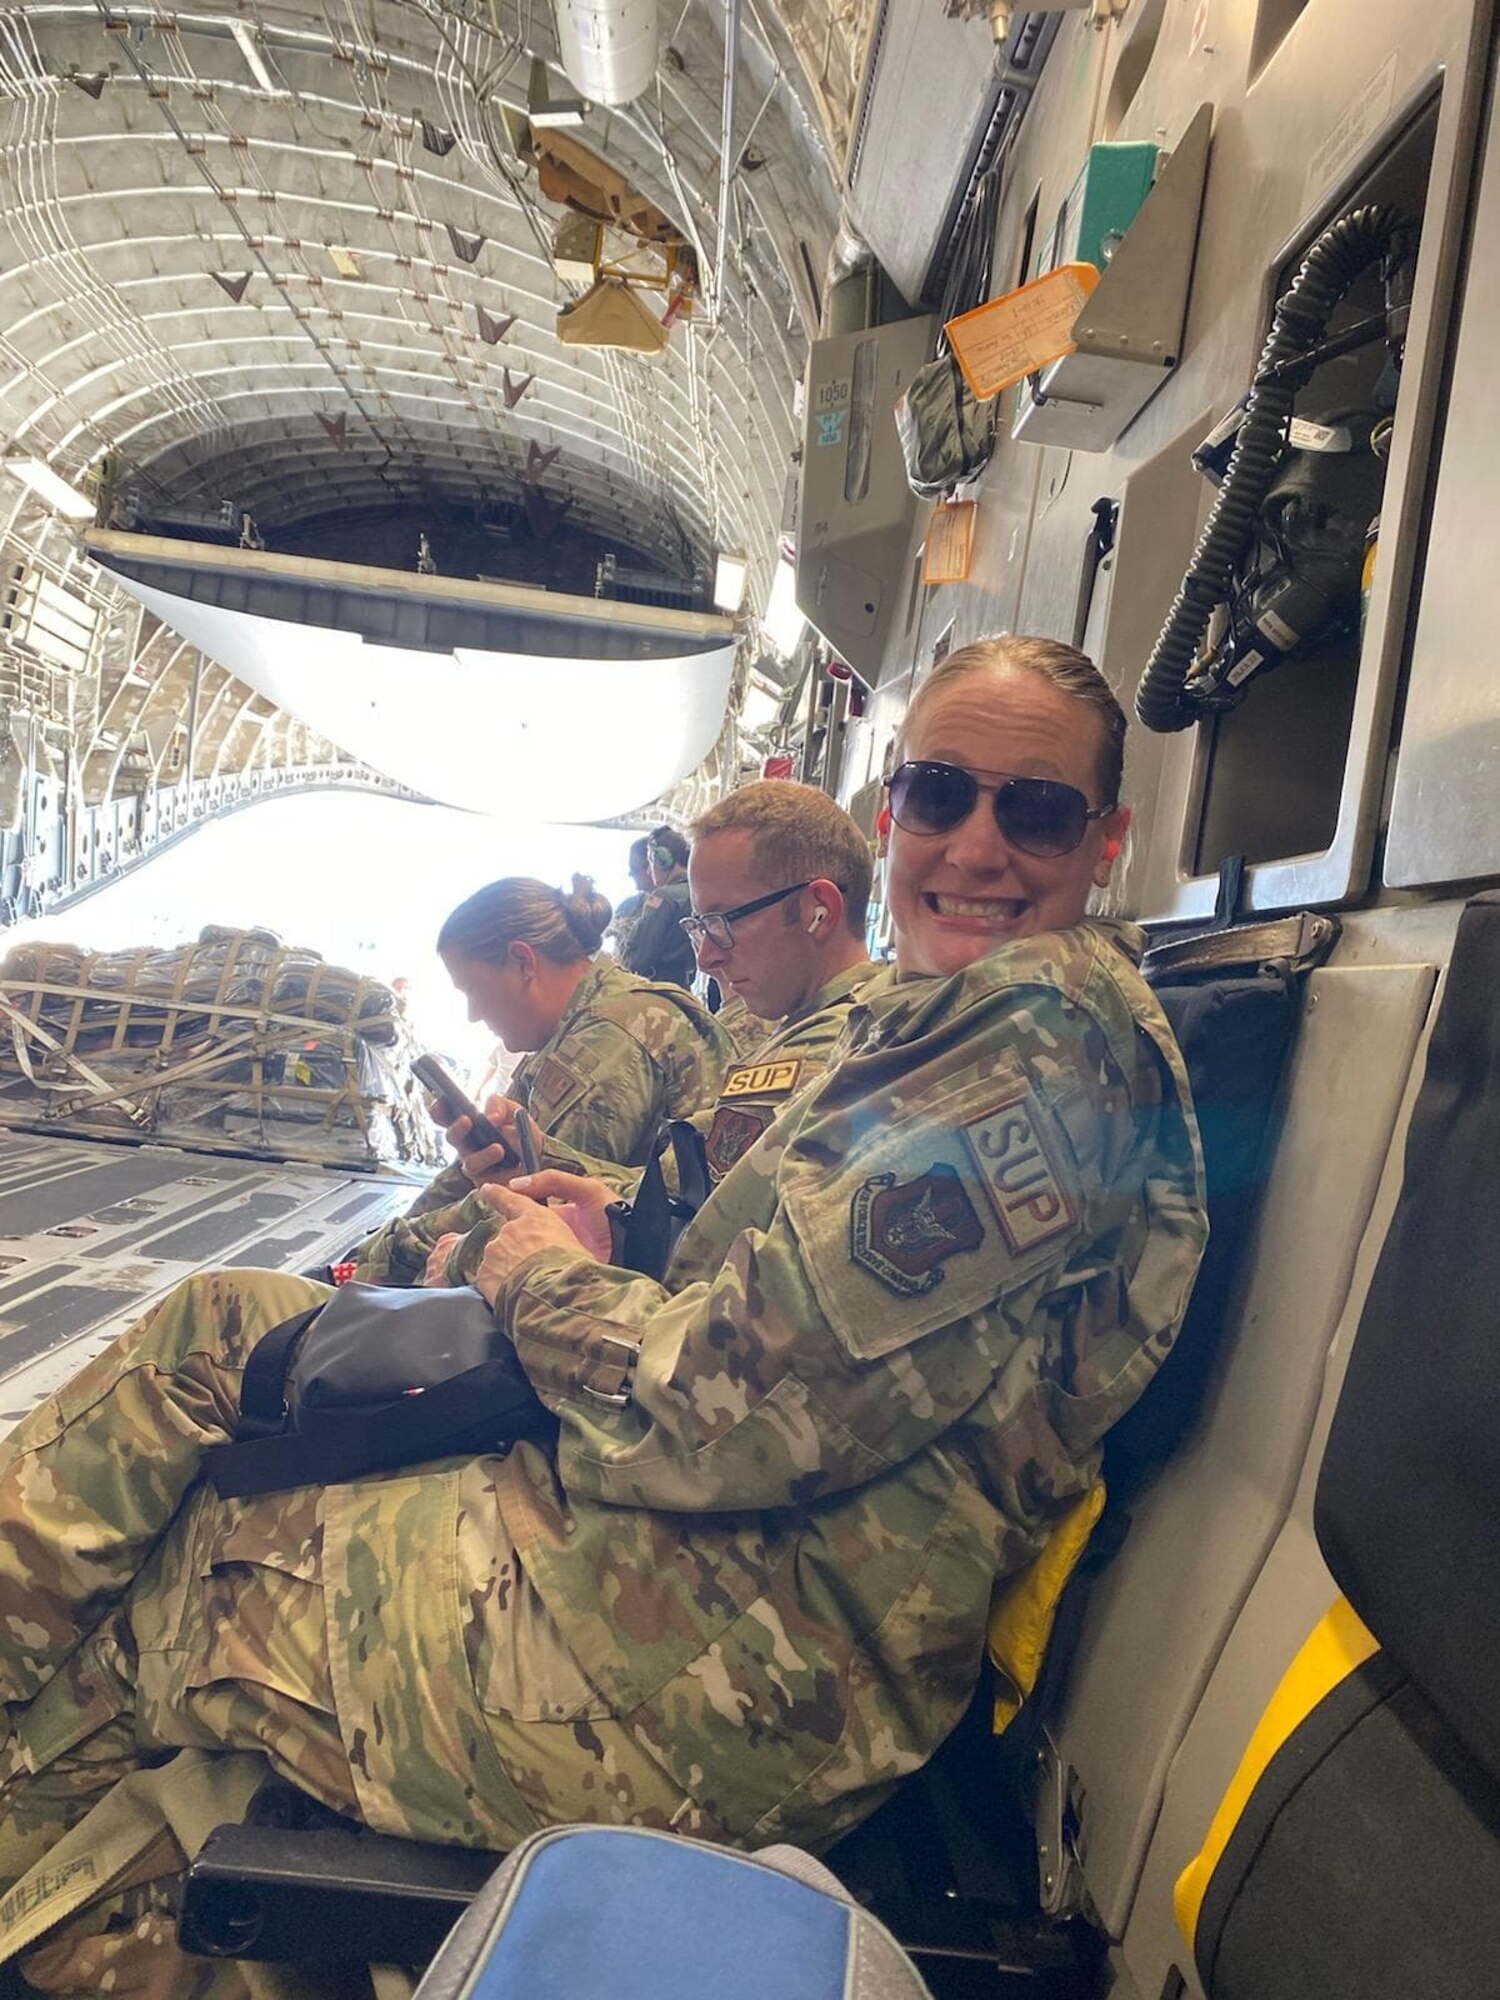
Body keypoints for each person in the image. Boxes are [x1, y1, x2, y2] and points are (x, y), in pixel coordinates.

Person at [0, 637, 1207, 1997]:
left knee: (165, 1596)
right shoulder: (979, 1021)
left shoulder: (1032, 1037)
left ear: (1104, 840)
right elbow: (793, 1321)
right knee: (193, 1461)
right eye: (940, 796)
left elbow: (721, 1409)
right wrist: (624, 1229)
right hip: (717, 1584)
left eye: (1034, 811)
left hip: (740, 1658)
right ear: (892, 818)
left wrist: (528, 1272)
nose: (977, 846)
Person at [358, 874, 732, 1276]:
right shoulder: (583, 1021)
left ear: (522, 962)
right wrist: (382, 1243)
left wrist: (381, 1256)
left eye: (472, 990)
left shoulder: (606, 1042)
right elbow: (487, 1177)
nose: (474, 1013)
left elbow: (530, 1207)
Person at [618, 826, 695, 988]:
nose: (648, 871)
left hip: (656, 986)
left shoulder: (663, 897)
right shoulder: (697, 892)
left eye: (650, 862)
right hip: (684, 986)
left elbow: (641, 956)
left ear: (662, 860)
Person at [603, 835, 653, 960]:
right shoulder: (627, 905)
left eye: (634, 868)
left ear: (651, 865)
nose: (630, 873)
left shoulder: (672, 907)